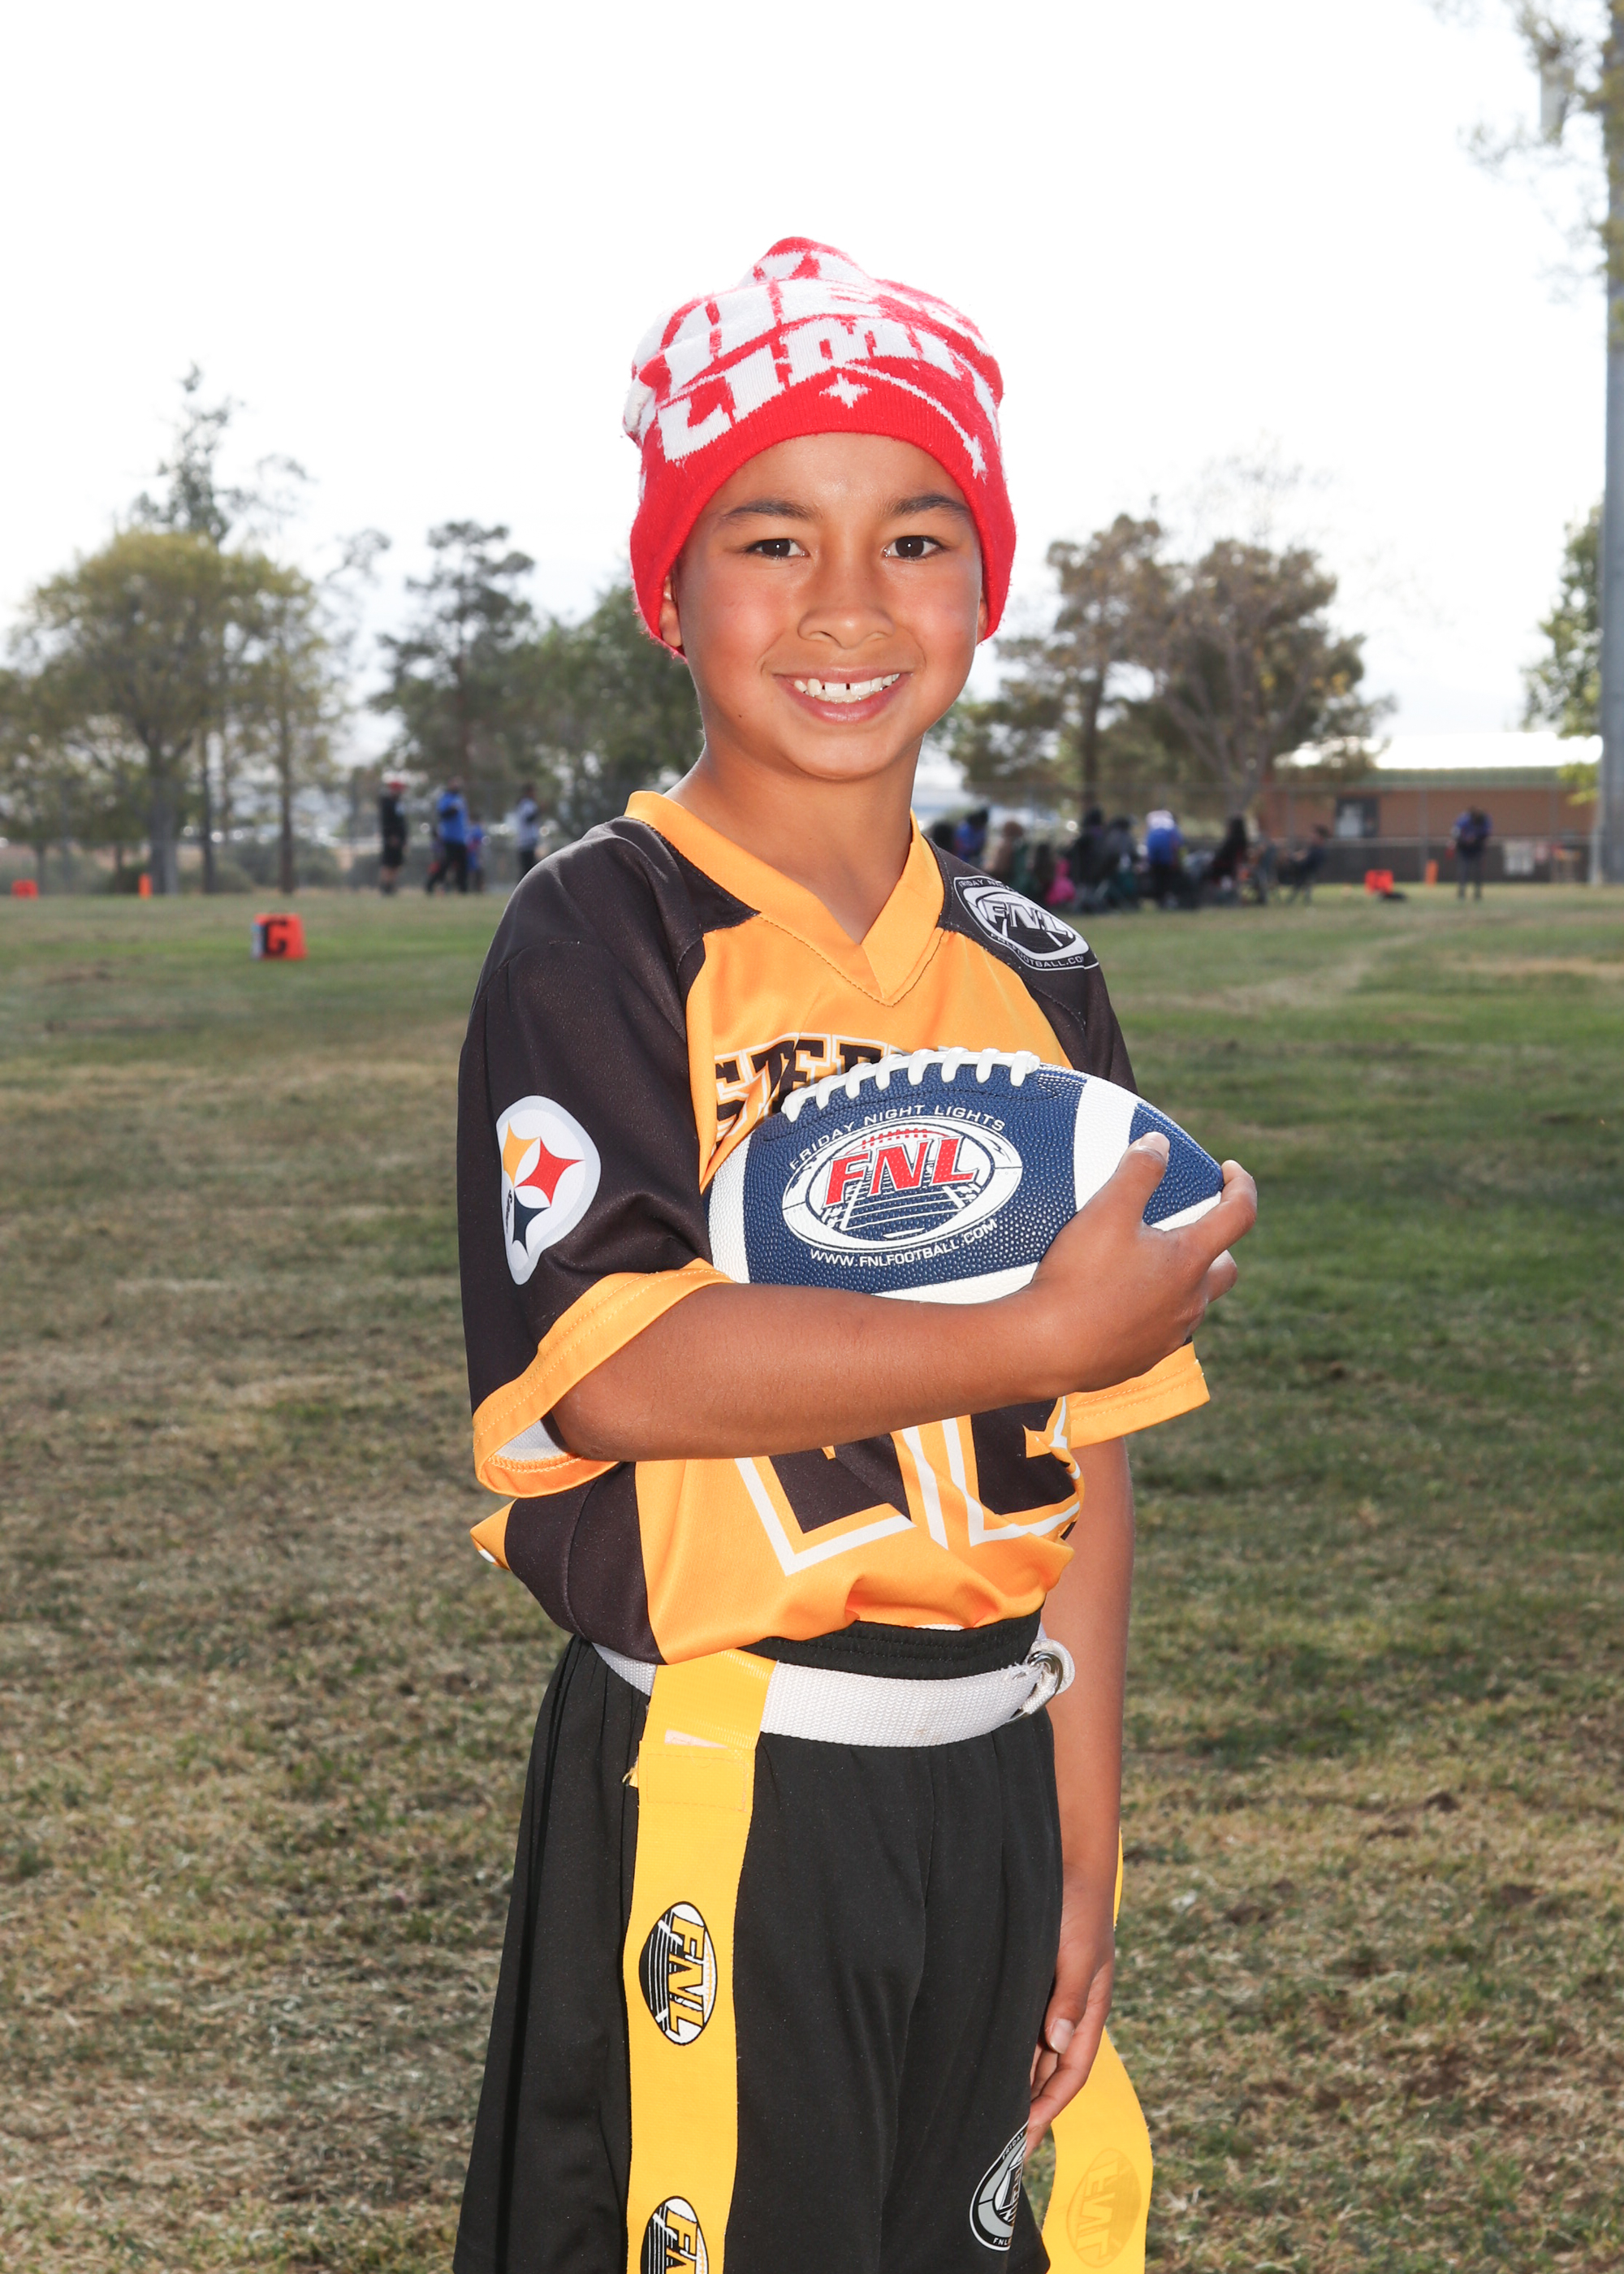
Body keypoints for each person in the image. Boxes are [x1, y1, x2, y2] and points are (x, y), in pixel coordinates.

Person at [451, 239, 1255, 2274]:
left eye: (912, 537)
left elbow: (1089, 1453)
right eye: (768, 539)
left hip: (984, 1777)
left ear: (983, 585)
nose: (842, 603)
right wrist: (1031, 1327)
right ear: (667, 590)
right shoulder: (601, 931)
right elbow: (620, 1366)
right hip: (729, 1779)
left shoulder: (1036, 970)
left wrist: (1079, 1844)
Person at [1143, 807, 1196, 909]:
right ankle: (1170, 899)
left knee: (1158, 879)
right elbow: (1180, 845)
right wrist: (1182, 862)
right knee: (1169, 879)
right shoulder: (1172, 827)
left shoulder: (1152, 826)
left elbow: (1148, 845)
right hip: (1168, 859)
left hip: (1154, 858)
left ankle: (1160, 901)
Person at [425, 778, 469, 893]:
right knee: (445, 864)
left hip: (461, 838)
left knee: (463, 865)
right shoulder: (446, 798)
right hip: (449, 838)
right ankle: (430, 885)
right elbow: (442, 814)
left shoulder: (461, 798)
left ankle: (463, 889)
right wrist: (451, 810)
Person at [1281, 824, 1330, 903]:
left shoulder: (1319, 851)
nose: (1312, 837)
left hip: (1305, 870)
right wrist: (1293, 857)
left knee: (1295, 876)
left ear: (1320, 837)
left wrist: (1292, 858)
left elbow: (1306, 860)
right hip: (1302, 869)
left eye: (1314, 835)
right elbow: (1302, 855)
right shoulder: (1313, 848)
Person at [1453, 806, 1491, 900]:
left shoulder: (1484, 820)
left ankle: (1477, 893)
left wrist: (1476, 839)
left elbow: (1486, 834)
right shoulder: (1464, 820)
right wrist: (1464, 840)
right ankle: (1462, 893)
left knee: (1478, 871)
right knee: (1464, 871)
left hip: (1477, 848)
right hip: (1464, 848)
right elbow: (1455, 833)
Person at [378, 776, 408, 895]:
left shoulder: (399, 803)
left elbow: (402, 822)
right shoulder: (387, 803)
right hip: (391, 839)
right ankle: (385, 886)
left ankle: (392, 886)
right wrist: (391, 836)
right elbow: (386, 822)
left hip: (400, 839)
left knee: (396, 864)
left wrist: (404, 839)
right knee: (388, 864)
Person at [513, 784, 543, 880]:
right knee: (528, 870)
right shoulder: (526, 804)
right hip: (527, 841)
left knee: (529, 869)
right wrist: (539, 810)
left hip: (528, 841)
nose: (535, 794)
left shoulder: (527, 804)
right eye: (533, 791)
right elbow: (528, 818)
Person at [468, 812, 487, 893]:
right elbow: (479, 843)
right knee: (478, 872)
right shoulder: (477, 829)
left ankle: (477, 888)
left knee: (475, 873)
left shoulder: (471, 829)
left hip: (473, 854)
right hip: (475, 854)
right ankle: (478, 888)